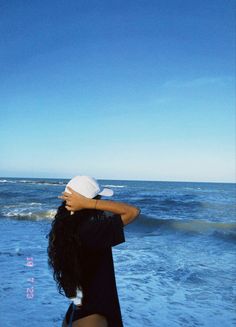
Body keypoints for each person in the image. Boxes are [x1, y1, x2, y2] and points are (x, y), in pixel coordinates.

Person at [47, 175, 141, 327]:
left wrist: (76, 299)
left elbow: (68, 275)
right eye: (98, 198)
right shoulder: (94, 229)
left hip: (75, 312)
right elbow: (133, 212)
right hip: (95, 314)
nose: (101, 201)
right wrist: (89, 203)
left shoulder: (63, 230)